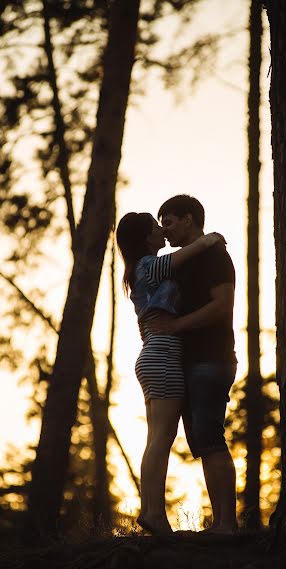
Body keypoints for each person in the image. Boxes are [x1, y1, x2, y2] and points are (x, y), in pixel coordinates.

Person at [116, 212, 224, 534]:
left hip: (154, 354)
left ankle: (151, 511)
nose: (162, 231)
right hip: (162, 355)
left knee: (157, 437)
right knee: (161, 438)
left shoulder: (140, 270)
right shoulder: (148, 266)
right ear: (145, 237)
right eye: (156, 226)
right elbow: (183, 256)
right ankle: (153, 514)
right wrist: (209, 239)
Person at [154, 194, 238, 534]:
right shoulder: (181, 260)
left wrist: (177, 326)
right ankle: (221, 524)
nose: (164, 229)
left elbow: (222, 306)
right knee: (203, 442)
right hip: (188, 364)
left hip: (211, 360)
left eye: (169, 221)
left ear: (189, 219)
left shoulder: (215, 256)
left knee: (211, 439)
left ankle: (227, 525)